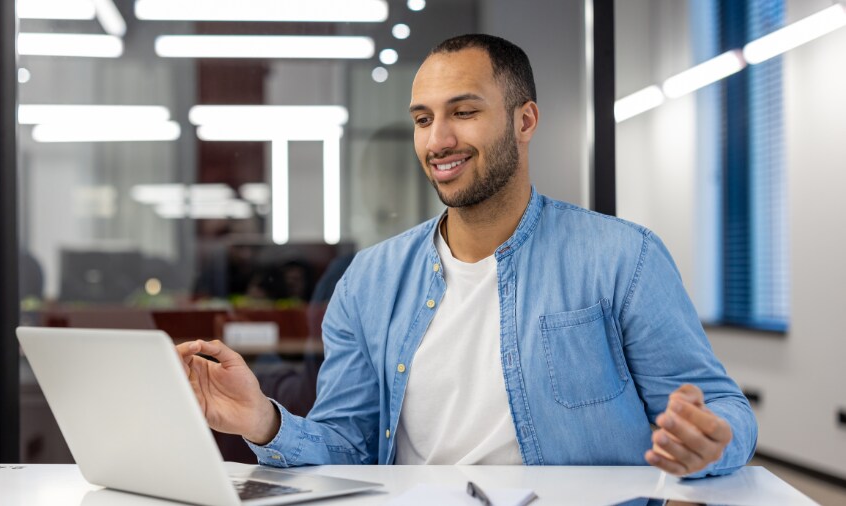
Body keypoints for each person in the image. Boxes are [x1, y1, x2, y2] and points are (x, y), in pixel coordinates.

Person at [177, 34, 757, 478]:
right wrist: (265, 421)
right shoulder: (370, 280)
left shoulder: (622, 259)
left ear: (524, 120)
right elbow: (346, 447)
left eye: (464, 111)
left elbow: (727, 409)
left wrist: (713, 441)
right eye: (423, 119)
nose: (438, 140)